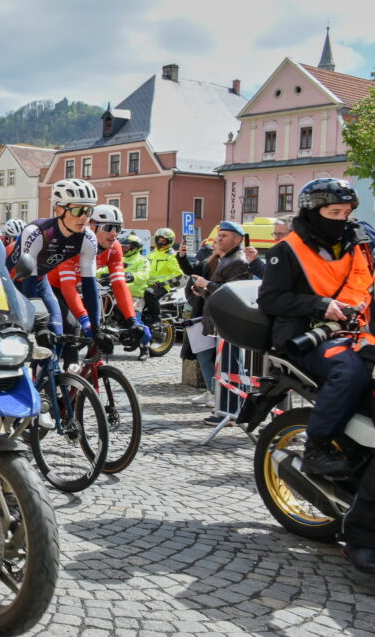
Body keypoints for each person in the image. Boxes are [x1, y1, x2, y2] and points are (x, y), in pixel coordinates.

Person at [257, 179, 371, 473]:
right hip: (304, 336)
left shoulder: (357, 244)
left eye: (346, 213)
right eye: (334, 213)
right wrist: (318, 305)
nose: (342, 220)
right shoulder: (287, 249)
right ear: (313, 211)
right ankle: (317, 446)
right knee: (350, 372)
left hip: (354, 331)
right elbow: (270, 298)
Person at [50, 205, 148, 364]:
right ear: (92, 226)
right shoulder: (74, 243)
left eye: (118, 228)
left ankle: (78, 376)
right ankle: (50, 371)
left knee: (98, 326)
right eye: (109, 227)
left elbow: (119, 285)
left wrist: (132, 321)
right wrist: (85, 323)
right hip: (52, 285)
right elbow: (68, 288)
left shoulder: (114, 248)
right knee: (71, 324)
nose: (114, 234)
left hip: (79, 285)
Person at [8, 179, 100, 345]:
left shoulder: (87, 238)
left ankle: (51, 370)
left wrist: (96, 327)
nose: (84, 217)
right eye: (78, 210)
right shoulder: (37, 232)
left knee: (60, 332)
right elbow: (28, 280)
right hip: (11, 283)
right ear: (59, 210)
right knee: (17, 340)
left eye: (89, 210)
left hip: (39, 281)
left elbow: (89, 285)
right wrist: (40, 324)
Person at [178, 220, 252, 421]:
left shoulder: (237, 260)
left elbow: (233, 292)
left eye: (225, 235)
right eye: (219, 234)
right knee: (226, 367)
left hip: (229, 322)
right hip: (220, 322)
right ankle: (226, 408)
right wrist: (202, 290)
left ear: (237, 240)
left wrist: (207, 284)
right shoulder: (226, 259)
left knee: (232, 368)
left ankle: (230, 411)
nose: (219, 238)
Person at [144, 227, 182, 322]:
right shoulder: (151, 254)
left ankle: (156, 319)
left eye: (163, 240)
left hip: (162, 287)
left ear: (169, 241)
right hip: (146, 284)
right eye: (158, 239)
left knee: (149, 293)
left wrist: (161, 283)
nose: (160, 242)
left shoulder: (171, 255)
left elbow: (178, 274)